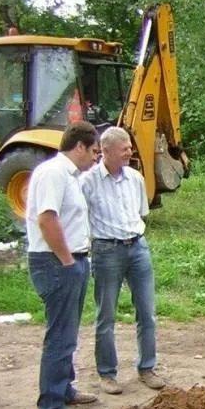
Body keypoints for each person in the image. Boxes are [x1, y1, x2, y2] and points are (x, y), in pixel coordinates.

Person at [81, 127, 166, 394]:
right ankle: (107, 374)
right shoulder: (88, 181)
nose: (130, 151)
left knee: (147, 311)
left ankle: (147, 368)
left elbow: (141, 213)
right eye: (124, 148)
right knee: (106, 314)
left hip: (137, 247)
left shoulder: (135, 178)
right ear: (105, 151)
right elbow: (80, 217)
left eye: (130, 147)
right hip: (107, 251)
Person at [26, 121, 99, 409]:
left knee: (68, 333)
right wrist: (68, 260)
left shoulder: (70, 176)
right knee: (60, 335)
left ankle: (64, 389)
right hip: (56, 264)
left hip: (72, 261)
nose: (96, 157)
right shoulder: (54, 173)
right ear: (79, 146)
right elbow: (46, 219)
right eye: (94, 151)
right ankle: (52, 406)